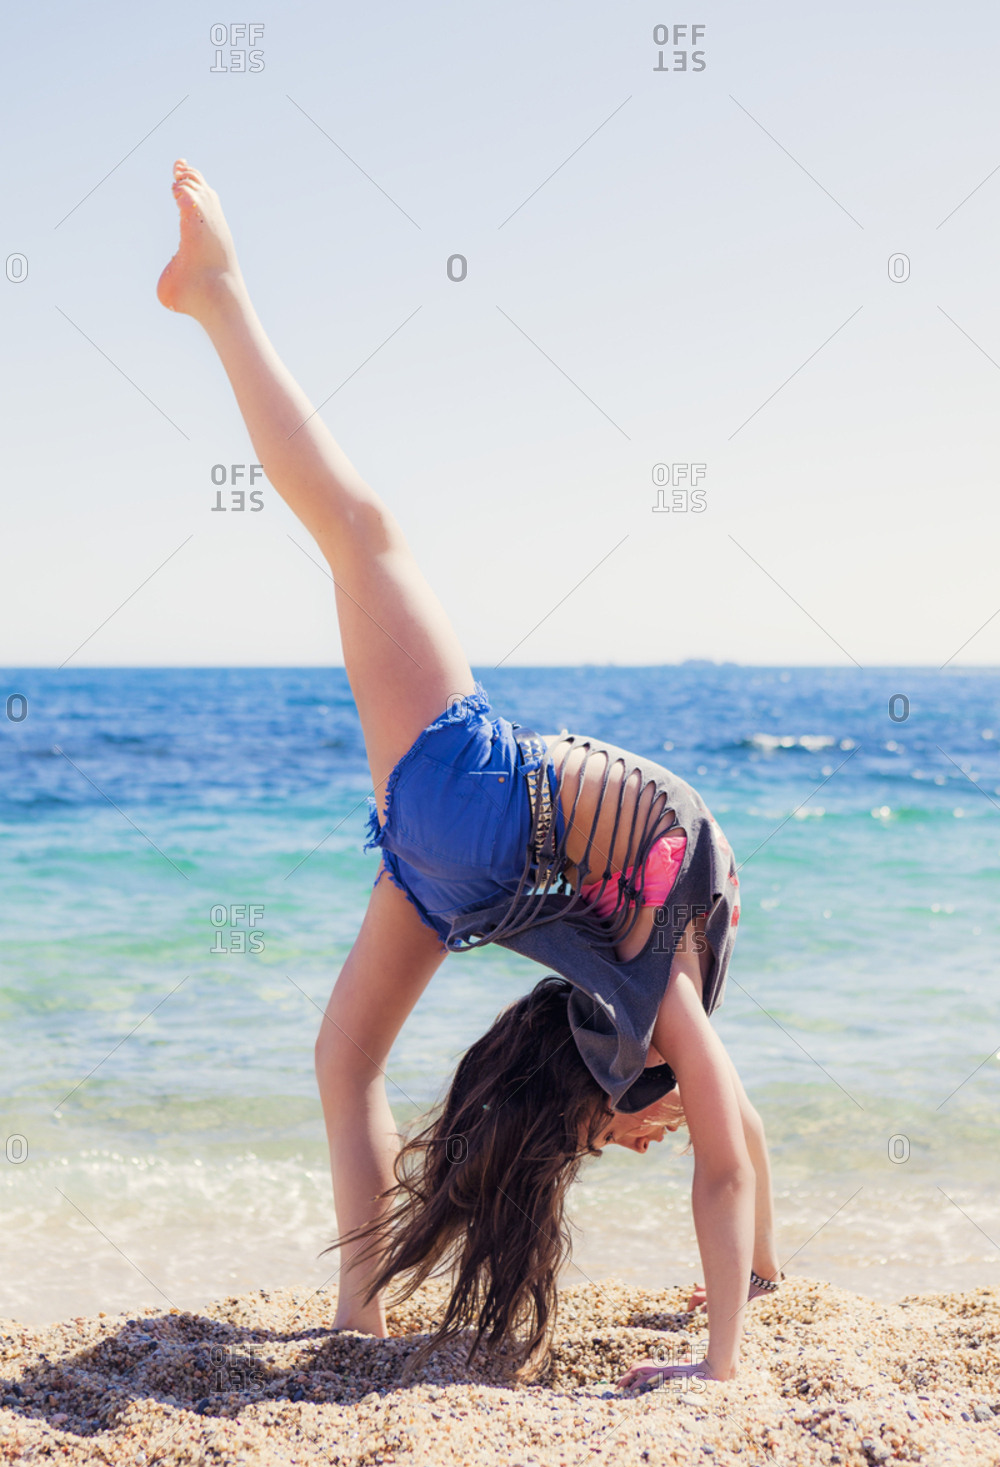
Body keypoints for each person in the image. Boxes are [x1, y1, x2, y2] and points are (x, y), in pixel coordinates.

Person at [157, 160, 781, 1386]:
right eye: (638, 1137)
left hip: (491, 806)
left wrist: (721, 1368)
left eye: (618, 1139)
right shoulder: (660, 998)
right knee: (344, 1061)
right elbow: (737, 1143)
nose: (649, 1142)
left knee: (359, 529)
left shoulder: (664, 1000)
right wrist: (762, 1283)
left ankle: (218, 294)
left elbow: (728, 1157)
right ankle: (358, 1313)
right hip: (457, 874)